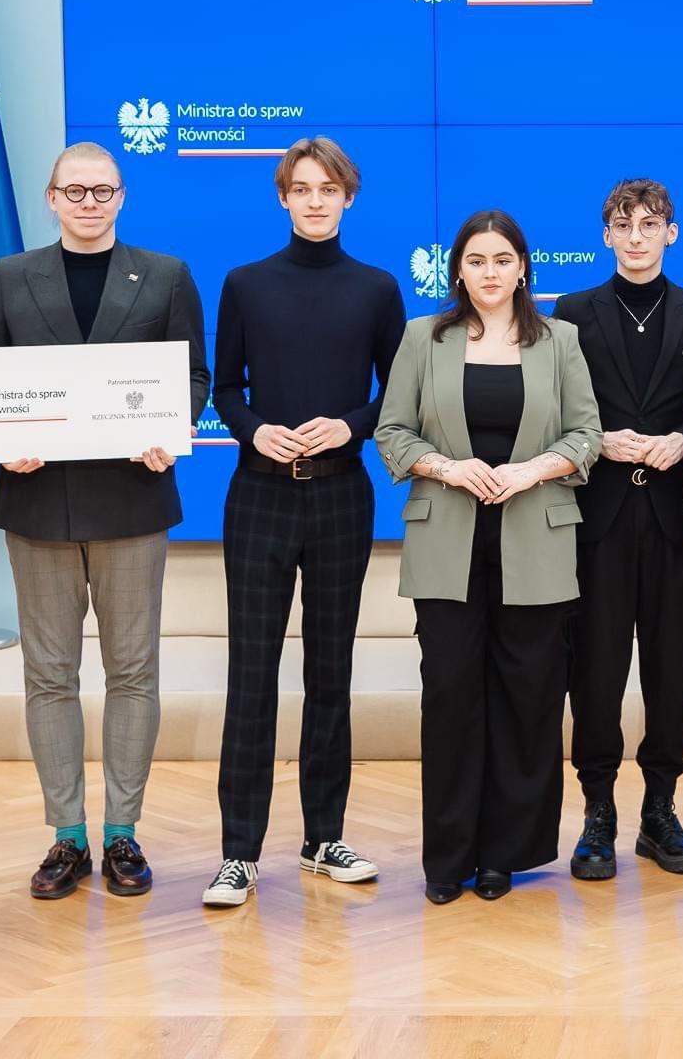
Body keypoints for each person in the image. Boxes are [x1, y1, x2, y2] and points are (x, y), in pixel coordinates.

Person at [0, 142, 210, 900]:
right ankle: (67, 837)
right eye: (74, 191)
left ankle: (123, 834)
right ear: (51, 198)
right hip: (36, 502)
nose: (88, 203)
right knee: (49, 676)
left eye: (102, 191)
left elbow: (192, 375)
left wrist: (173, 429)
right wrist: (1, 441)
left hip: (132, 500)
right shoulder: (7, 277)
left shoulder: (166, 275)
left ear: (122, 196)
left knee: (133, 672)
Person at [201, 138, 407, 908]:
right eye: (301, 188)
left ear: (349, 197)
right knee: (251, 675)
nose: (315, 201)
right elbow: (225, 388)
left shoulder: (377, 288)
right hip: (258, 495)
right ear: (282, 197)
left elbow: (398, 393)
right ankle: (239, 852)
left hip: (342, 496)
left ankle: (323, 838)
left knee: (331, 673)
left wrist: (352, 425)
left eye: (328, 188)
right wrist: (254, 429)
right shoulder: (245, 284)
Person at [375, 210, 601, 905]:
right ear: (459, 271)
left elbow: (586, 435)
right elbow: (392, 432)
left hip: (537, 540)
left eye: (503, 260)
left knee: (527, 700)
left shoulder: (560, 340)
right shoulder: (423, 337)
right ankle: (449, 858)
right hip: (447, 543)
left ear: (523, 268)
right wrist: (446, 467)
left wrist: (532, 471)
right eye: (476, 261)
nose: (490, 272)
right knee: (449, 698)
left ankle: (506, 854)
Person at [552, 179, 683, 881]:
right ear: (605, 236)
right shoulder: (573, 313)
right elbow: (559, 411)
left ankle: (660, 811)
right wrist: (598, 442)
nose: (635, 237)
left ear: (670, 233)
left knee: (670, 670)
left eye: (649, 224)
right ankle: (598, 812)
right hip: (597, 525)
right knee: (594, 673)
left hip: (674, 524)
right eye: (623, 225)